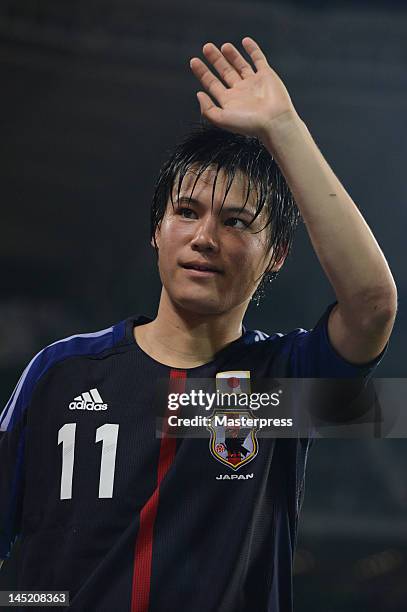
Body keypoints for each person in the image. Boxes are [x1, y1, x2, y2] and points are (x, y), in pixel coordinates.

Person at [0, 37, 397, 611]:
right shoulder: (61, 372)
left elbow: (373, 303)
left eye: (237, 222)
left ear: (277, 254)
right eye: (187, 212)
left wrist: (283, 127)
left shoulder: (280, 385)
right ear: (156, 231)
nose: (205, 237)